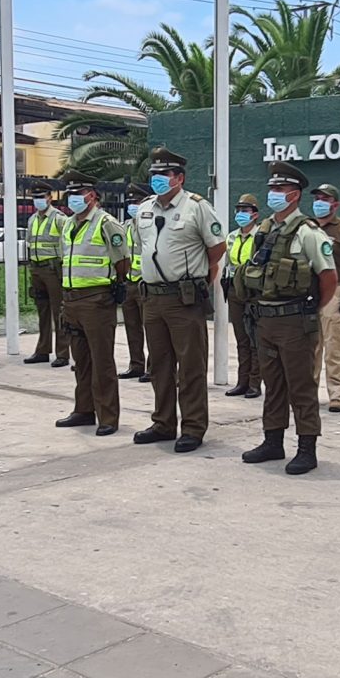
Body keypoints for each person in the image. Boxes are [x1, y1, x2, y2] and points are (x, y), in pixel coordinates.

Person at [238, 163, 339, 475]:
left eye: (280, 190)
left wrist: (310, 310)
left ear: (294, 195)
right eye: (272, 189)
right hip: (265, 319)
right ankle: (273, 441)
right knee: (274, 383)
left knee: (301, 386)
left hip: (295, 320)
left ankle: (307, 448)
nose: (273, 194)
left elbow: (329, 278)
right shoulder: (265, 229)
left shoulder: (309, 232)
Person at [128, 149, 229, 451]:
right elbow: (141, 245)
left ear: (179, 178)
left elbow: (217, 248)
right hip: (153, 298)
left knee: (190, 365)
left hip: (184, 299)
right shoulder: (145, 208)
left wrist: (199, 279)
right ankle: (163, 423)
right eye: (154, 176)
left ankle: (194, 427)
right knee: (158, 364)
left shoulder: (196, 207)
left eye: (164, 175)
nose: (157, 180)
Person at [51, 174, 131, 436]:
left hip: (96, 300)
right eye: (71, 193)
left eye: (81, 192)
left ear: (93, 195)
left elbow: (122, 262)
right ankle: (83, 410)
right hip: (72, 300)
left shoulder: (107, 223)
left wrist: (112, 285)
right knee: (81, 360)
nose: (75, 197)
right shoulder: (68, 224)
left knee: (102, 361)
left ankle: (108, 416)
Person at [311, 182, 340, 412]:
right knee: (311, 346)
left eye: (325, 199)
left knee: (333, 345)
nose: (319, 203)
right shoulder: (309, 227)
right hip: (312, 291)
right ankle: (308, 391)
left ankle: (337, 393)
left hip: (336, 291)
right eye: (317, 198)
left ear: (335, 204)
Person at [23, 180, 69, 367]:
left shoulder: (59, 218)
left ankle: (63, 353)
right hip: (36, 268)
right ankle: (42, 350)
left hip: (53, 269)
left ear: (50, 198)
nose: (38, 200)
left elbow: (67, 245)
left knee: (59, 311)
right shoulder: (32, 219)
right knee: (42, 311)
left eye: (41, 197)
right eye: (35, 198)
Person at [223, 192, 263, 399]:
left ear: (255, 215)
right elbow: (229, 264)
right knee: (241, 338)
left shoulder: (260, 236)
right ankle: (242, 381)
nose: (240, 214)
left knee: (254, 338)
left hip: (254, 291)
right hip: (235, 290)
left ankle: (255, 383)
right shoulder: (231, 236)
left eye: (245, 211)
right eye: (238, 210)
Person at [118, 187, 150, 380]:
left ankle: (152, 367)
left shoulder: (148, 225)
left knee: (152, 328)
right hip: (130, 281)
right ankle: (136, 364)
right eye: (130, 203)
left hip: (145, 282)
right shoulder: (125, 226)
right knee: (132, 326)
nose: (132, 206)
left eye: (136, 202)